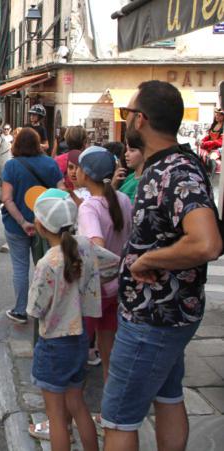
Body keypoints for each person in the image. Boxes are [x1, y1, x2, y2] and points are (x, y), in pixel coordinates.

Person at [102, 81, 223, 451]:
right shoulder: (172, 165)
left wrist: (148, 260)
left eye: (127, 114)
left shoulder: (176, 172)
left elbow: (207, 243)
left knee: (118, 418)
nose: (126, 122)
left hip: (151, 320)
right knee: (169, 397)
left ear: (141, 119)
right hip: (167, 314)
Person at [27, 188, 119, 451]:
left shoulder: (48, 262)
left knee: (56, 418)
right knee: (78, 406)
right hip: (81, 339)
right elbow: (114, 265)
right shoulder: (86, 247)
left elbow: (34, 308)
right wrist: (91, 283)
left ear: (41, 225)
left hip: (54, 343)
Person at [75, 146, 132, 386]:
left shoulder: (89, 207)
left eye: (78, 166)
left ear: (86, 174)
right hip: (116, 290)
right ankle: (108, 410)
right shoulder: (123, 199)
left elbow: (97, 249)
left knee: (75, 360)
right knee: (109, 355)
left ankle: (67, 417)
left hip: (93, 293)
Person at [2, 128, 64, 324]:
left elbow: (7, 199)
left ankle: (20, 310)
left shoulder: (11, 166)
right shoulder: (50, 164)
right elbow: (61, 193)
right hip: (45, 227)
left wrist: (23, 222)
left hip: (16, 226)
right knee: (44, 268)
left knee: (20, 269)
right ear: (38, 144)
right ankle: (44, 309)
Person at [111, 138, 144, 205]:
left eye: (132, 150)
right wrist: (114, 185)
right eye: (126, 150)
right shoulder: (130, 177)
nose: (126, 154)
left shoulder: (143, 182)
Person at [198, 107, 223, 174]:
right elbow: (209, 136)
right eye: (216, 114)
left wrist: (207, 143)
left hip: (219, 149)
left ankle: (212, 178)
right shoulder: (214, 125)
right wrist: (202, 141)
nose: (217, 116)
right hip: (209, 147)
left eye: (219, 115)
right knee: (201, 155)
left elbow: (220, 142)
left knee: (212, 158)